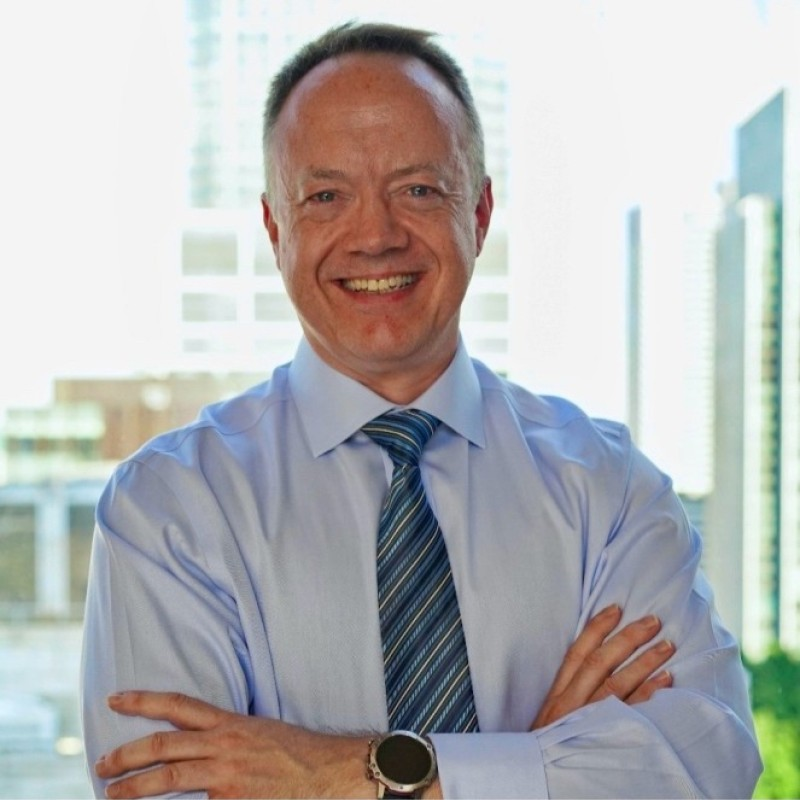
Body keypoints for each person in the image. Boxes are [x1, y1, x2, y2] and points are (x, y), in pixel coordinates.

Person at [81, 21, 762, 799]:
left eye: (418, 191)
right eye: (327, 196)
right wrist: (533, 762)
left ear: (479, 213)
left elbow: (706, 766)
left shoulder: (611, 490)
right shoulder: (167, 510)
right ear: (275, 229)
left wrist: (337, 774)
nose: (375, 236)